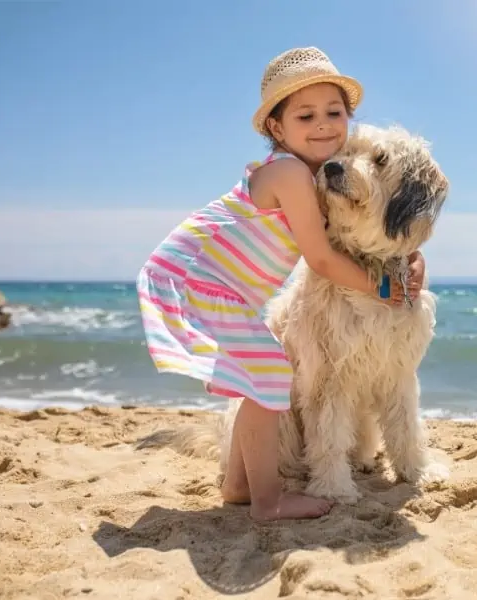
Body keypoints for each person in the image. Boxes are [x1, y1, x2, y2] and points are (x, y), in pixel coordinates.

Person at [136, 47, 427, 521]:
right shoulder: (292, 174)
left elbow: (369, 234)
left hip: (217, 286)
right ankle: (268, 502)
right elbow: (321, 255)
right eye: (305, 115)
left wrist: (413, 261)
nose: (323, 125)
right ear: (276, 129)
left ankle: (237, 485)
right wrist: (380, 291)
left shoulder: (316, 176)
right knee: (269, 376)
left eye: (334, 112)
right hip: (199, 279)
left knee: (258, 379)